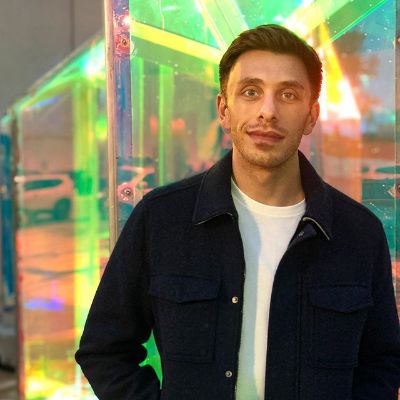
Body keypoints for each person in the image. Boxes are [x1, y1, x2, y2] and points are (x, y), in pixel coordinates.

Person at [75, 24, 400, 399]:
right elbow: (105, 351)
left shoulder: (359, 233)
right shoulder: (161, 219)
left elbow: (382, 363)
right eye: (250, 91)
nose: (267, 111)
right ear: (224, 109)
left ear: (311, 115)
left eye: (288, 94)